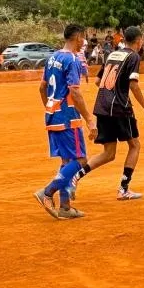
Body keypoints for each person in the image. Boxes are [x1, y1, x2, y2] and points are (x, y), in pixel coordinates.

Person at [71, 26, 144, 201]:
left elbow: (97, 81)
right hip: (119, 107)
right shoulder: (133, 56)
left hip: (102, 106)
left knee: (108, 153)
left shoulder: (113, 54)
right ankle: (123, 189)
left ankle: (74, 177)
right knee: (135, 145)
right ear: (139, 41)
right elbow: (133, 85)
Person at [32, 24, 94, 220]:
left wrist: (50, 108)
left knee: (67, 160)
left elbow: (42, 88)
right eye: (83, 38)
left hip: (52, 114)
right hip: (68, 117)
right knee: (80, 160)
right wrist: (90, 119)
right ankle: (47, 192)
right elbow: (75, 91)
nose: (84, 42)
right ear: (77, 37)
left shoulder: (52, 58)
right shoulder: (72, 59)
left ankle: (65, 207)